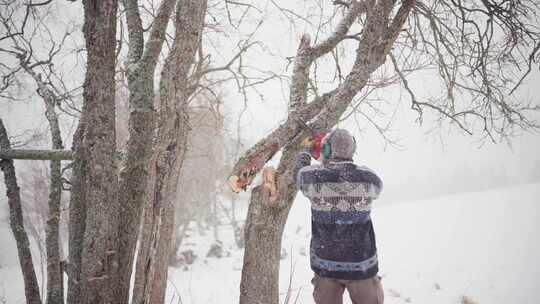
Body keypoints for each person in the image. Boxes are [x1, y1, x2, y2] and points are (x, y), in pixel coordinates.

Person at [294, 128, 384, 304]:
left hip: (326, 266)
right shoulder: (369, 178)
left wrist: (305, 152)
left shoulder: (313, 177)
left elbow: (297, 174)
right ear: (353, 149)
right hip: (362, 266)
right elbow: (378, 188)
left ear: (327, 150)